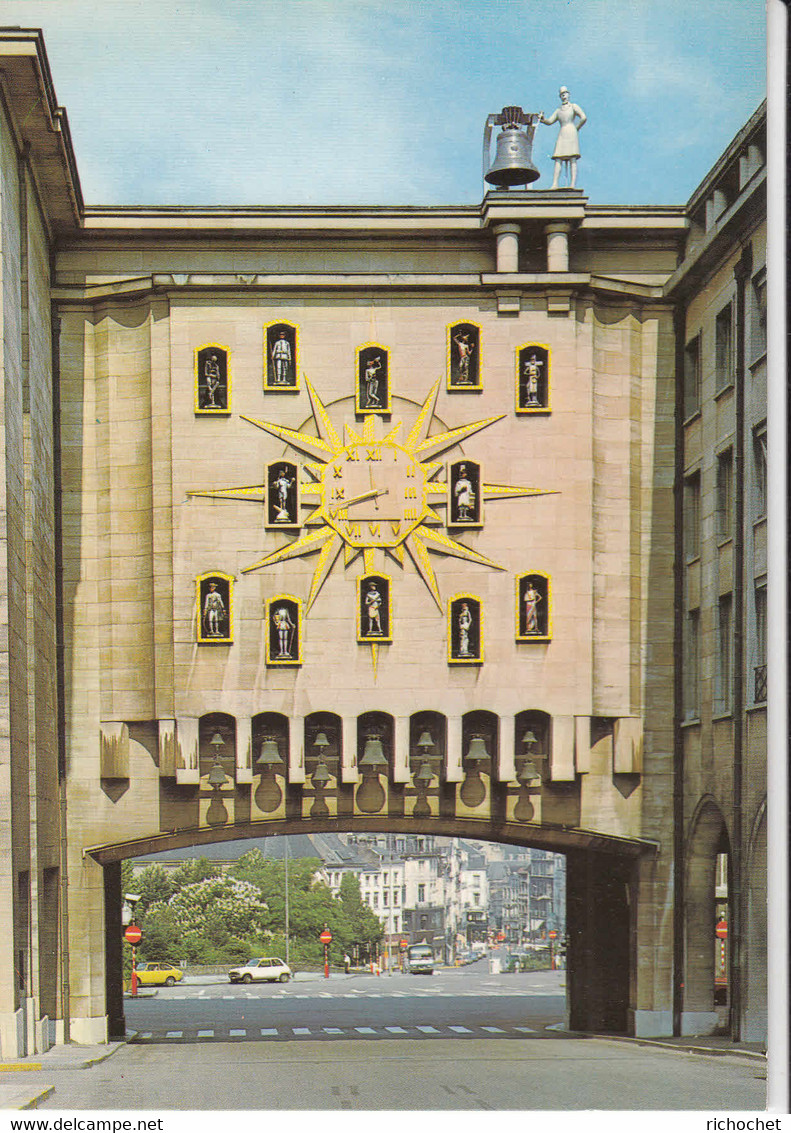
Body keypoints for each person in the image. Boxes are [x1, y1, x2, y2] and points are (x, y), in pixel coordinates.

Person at [540, 86, 587, 190]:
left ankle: (572, 184)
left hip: (571, 131)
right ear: (560, 96)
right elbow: (550, 121)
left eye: (565, 93)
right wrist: (543, 119)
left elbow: (583, 117)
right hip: (562, 132)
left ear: (568, 94)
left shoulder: (574, 106)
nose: (564, 96)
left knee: (572, 158)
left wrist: (576, 128)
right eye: (562, 94)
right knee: (558, 158)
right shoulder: (558, 110)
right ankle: (555, 183)